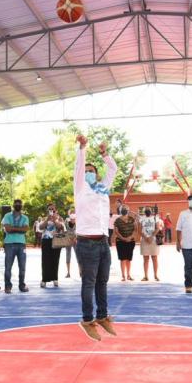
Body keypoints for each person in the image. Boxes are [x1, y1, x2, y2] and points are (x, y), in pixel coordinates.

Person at [75, 134, 118, 341]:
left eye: (93, 171)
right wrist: (82, 148)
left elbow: (113, 170)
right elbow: (79, 167)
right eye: (87, 171)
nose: (89, 173)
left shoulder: (102, 189)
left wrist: (104, 154)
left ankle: (102, 316)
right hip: (86, 243)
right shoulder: (80, 188)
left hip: (102, 242)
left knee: (103, 281)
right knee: (89, 283)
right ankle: (87, 319)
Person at [2, 199, 30, 293]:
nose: (18, 205)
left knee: (22, 267)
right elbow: (7, 229)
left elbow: (25, 229)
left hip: (22, 244)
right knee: (8, 267)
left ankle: (22, 285)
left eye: (19, 204)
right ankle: (7, 286)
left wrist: (13, 228)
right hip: (9, 244)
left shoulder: (25, 217)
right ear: (13, 205)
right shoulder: (7, 215)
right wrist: (19, 229)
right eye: (16, 204)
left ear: (21, 206)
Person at [39, 204, 66, 288]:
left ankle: (55, 279)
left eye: (53, 210)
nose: (51, 211)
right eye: (50, 209)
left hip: (56, 241)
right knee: (45, 260)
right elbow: (40, 227)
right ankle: (44, 280)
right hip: (46, 240)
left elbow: (60, 227)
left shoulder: (60, 218)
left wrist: (55, 220)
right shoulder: (44, 218)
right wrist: (47, 220)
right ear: (47, 210)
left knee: (55, 260)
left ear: (56, 210)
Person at [113, 205, 139, 281]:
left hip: (130, 241)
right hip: (120, 242)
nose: (125, 210)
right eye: (123, 209)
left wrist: (130, 238)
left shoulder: (132, 219)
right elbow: (116, 231)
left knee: (128, 258)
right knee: (122, 259)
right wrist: (123, 238)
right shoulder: (117, 220)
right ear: (121, 211)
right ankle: (123, 276)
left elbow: (136, 229)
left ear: (128, 210)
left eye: (126, 209)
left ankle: (128, 275)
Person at [64, 208, 77, 278]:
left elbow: (78, 230)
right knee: (68, 256)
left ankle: (80, 271)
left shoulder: (77, 220)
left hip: (75, 240)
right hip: (68, 240)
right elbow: (64, 229)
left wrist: (75, 238)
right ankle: (68, 272)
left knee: (78, 255)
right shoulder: (66, 220)